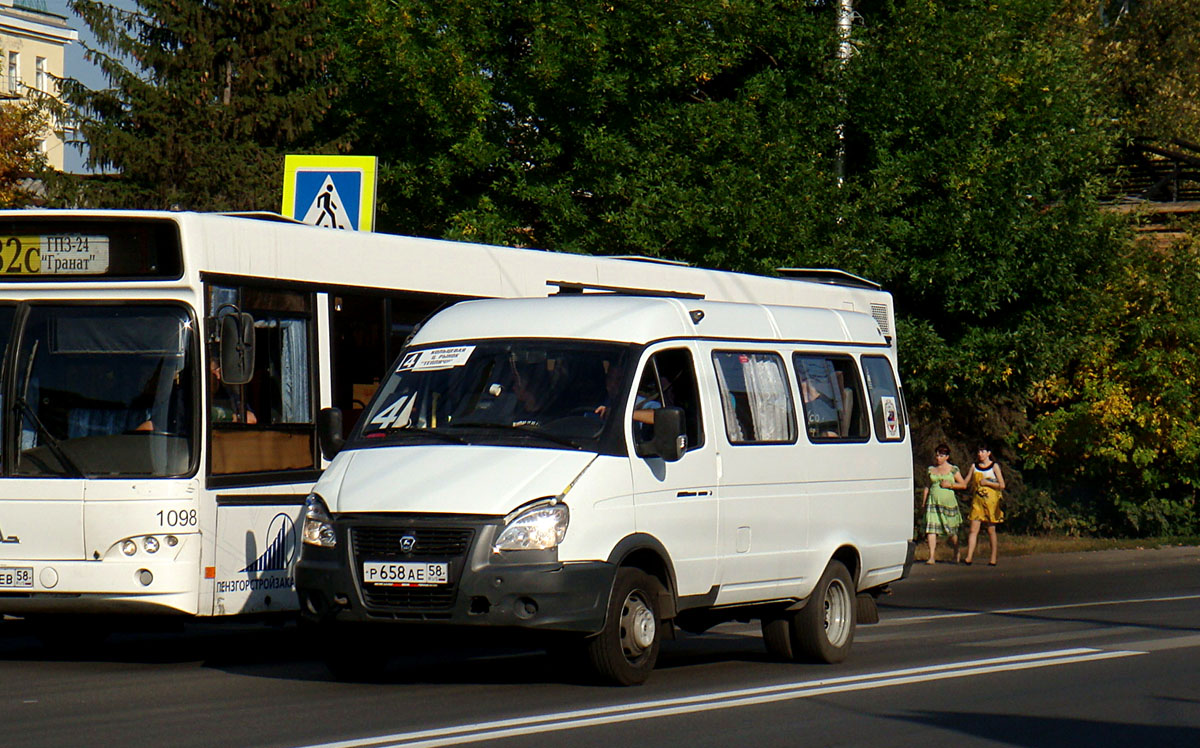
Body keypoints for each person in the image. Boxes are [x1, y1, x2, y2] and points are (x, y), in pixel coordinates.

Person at [920, 444, 966, 564]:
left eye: (941, 456)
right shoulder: (931, 470)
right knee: (931, 529)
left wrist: (950, 485)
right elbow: (927, 486)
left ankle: (956, 552)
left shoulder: (953, 469)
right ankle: (931, 556)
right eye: (937, 455)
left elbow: (963, 484)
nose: (938, 458)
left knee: (951, 530)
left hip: (948, 502)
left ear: (947, 457)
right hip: (933, 502)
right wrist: (924, 502)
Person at [963, 444, 1005, 566]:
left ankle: (993, 557)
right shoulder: (974, 467)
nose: (980, 454)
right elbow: (966, 482)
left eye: (982, 451)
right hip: (977, 502)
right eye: (979, 451)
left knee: (991, 530)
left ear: (988, 453)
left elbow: (1002, 485)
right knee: (973, 529)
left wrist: (987, 483)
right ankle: (969, 556)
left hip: (991, 503)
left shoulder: (994, 467)